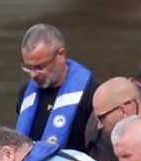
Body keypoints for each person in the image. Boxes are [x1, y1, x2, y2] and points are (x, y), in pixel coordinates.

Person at [16, 23, 97, 154]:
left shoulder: (91, 94)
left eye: (40, 67)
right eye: (28, 67)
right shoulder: (25, 93)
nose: (33, 75)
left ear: (61, 55)